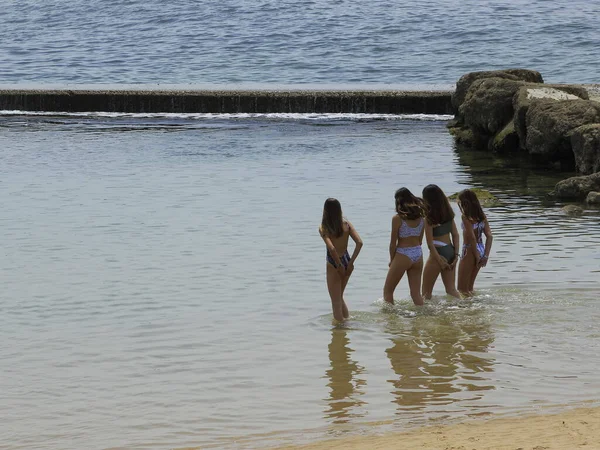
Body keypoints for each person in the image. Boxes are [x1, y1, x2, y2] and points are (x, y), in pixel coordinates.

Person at [319, 198, 363, 322]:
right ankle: (347, 322)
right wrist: (350, 263)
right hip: (346, 260)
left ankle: (340, 330)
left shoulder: (324, 227)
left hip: (334, 263)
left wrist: (338, 265)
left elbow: (332, 248)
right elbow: (359, 243)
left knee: (335, 302)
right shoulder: (347, 225)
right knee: (339, 297)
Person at [383, 188, 425, 306]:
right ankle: (423, 318)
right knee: (416, 294)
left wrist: (392, 260)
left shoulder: (397, 218)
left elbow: (392, 243)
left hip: (403, 253)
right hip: (418, 253)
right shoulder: (421, 218)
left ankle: (390, 321)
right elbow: (420, 240)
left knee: (388, 291)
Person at [421, 184, 462, 299]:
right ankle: (464, 309)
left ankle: (425, 316)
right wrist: (456, 255)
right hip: (450, 250)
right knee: (451, 289)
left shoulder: (428, 217)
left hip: (437, 252)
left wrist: (438, 259)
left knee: (425, 293)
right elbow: (455, 235)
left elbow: (429, 243)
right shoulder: (448, 213)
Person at [457, 189, 493, 296]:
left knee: (462, 289)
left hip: (469, 250)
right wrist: (485, 256)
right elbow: (490, 236)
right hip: (481, 248)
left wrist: (476, 255)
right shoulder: (482, 216)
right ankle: (475, 308)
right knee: (470, 287)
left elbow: (471, 237)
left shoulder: (466, 217)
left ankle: (469, 310)